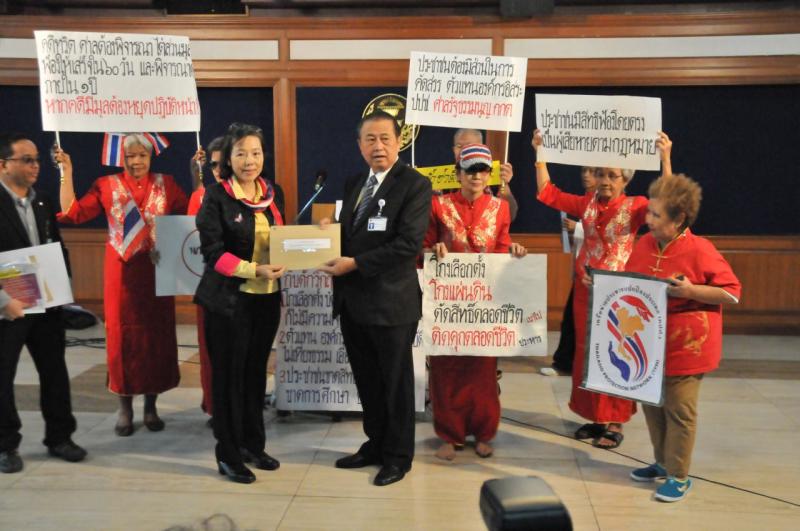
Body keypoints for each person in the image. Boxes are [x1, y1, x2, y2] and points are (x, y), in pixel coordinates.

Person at [532, 128, 672, 449]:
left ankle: (615, 420)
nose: (605, 180)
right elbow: (547, 193)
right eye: (600, 174)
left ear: (625, 179)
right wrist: (540, 153)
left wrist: (665, 158)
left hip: (618, 295)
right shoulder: (586, 204)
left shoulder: (636, 206)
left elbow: (666, 203)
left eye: (612, 175)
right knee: (587, 352)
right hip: (586, 291)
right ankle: (595, 417)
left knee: (618, 353)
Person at [319, 110, 432, 487]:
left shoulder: (415, 184)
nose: (378, 146)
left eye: (385, 138)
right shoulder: (355, 182)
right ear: (359, 145)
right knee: (367, 380)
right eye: (370, 139)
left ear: (399, 142)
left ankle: (398, 457)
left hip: (391, 304)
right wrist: (328, 233)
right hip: (353, 302)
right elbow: (353, 234)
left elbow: (408, 244)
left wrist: (354, 264)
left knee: (395, 384)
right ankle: (376, 444)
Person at [55, 134, 188, 436]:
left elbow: (192, 212)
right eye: (130, 156)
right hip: (121, 277)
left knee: (156, 339)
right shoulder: (106, 185)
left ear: (151, 156)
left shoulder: (166, 184)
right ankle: (124, 407)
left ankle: (151, 405)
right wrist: (67, 172)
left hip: (157, 273)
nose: (136, 161)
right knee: (123, 340)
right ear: (121, 158)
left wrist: (196, 175)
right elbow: (74, 213)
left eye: (142, 155)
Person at [625, 173, 740, 502]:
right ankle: (662, 463)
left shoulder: (701, 249)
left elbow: (732, 293)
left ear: (678, 220)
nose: (648, 220)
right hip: (648, 345)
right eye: (649, 212)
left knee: (679, 411)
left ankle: (678, 475)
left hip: (687, 347)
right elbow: (629, 283)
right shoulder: (645, 244)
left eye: (656, 215)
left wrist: (692, 291)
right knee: (652, 406)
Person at [424, 143, 527, 461]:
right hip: (447, 301)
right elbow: (422, 248)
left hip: (484, 302)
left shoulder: (501, 208)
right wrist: (433, 251)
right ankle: (450, 434)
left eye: (483, 170)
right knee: (445, 368)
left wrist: (514, 252)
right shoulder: (437, 205)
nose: (477, 176)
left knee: (483, 370)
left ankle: (484, 433)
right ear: (458, 174)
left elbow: (502, 249)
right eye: (470, 170)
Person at [194, 123, 285, 484]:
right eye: (242, 153)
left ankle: (253, 445)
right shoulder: (216, 197)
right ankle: (228, 454)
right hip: (228, 302)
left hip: (266, 299)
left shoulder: (272, 193)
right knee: (229, 379)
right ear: (228, 159)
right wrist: (253, 269)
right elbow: (213, 253)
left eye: (256, 153)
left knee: (254, 375)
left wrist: (316, 236)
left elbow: (281, 238)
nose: (250, 160)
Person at [0, 133, 86, 473]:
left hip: (47, 304)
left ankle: (60, 437)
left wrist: (63, 288)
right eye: (26, 160)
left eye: (36, 159)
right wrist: (3, 300)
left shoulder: (43, 201)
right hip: (8, 307)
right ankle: (6, 445)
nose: (35, 165)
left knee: (55, 371)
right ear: (3, 165)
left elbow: (56, 245)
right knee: (3, 377)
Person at [543, 166, 597, 376]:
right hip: (584, 272)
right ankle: (565, 362)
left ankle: (576, 364)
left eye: (593, 172)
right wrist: (540, 159)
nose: (586, 176)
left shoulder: (622, 206)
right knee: (571, 318)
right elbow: (549, 193)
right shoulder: (585, 202)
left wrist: (578, 228)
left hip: (606, 273)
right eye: (584, 171)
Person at [188, 136, 224, 421]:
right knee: (211, 353)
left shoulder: (260, 195)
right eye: (212, 165)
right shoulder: (202, 197)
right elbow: (190, 235)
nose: (218, 170)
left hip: (247, 288)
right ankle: (214, 406)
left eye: (223, 163)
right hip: (211, 287)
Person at [452, 129, 518, 221]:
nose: (464, 150)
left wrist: (504, 184)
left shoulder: (495, 174)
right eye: (459, 146)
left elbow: (509, 216)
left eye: (470, 145)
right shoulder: (440, 177)